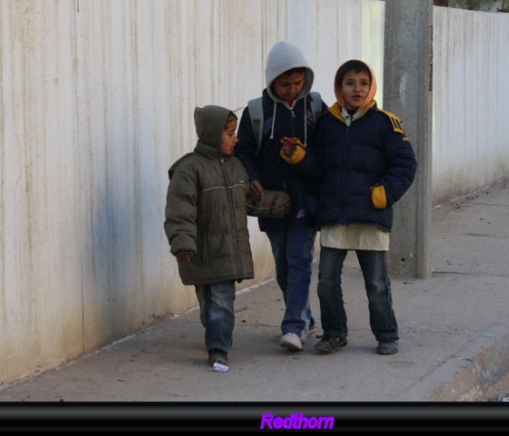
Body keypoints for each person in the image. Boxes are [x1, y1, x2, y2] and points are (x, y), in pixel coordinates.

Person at [280, 59, 417, 355]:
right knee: (327, 281)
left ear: (371, 87)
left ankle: (386, 335)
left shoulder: (385, 123)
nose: (357, 89)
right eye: (350, 83)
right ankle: (334, 333)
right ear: (339, 88)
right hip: (335, 216)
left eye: (363, 83)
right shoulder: (327, 123)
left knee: (376, 284)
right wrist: (298, 156)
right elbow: (319, 166)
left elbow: (406, 165)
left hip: (370, 216)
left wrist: (383, 194)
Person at [164, 105, 290, 369]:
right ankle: (215, 335)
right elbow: (180, 211)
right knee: (208, 302)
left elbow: (248, 202)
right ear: (211, 135)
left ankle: (219, 348)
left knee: (222, 300)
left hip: (227, 252)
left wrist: (280, 203)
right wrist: (183, 242)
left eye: (235, 133)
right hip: (199, 252)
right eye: (230, 134)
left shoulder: (236, 168)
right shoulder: (189, 170)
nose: (236, 140)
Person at [233, 41, 323, 352]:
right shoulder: (256, 112)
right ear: (272, 79)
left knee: (300, 262)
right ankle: (306, 318)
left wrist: (302, 156)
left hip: (305, 202)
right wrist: (252, 178)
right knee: (284, 269)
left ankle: (293, 327)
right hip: (271, 205)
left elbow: (325, 151)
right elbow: (243, 152)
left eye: (297, 83)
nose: (291, 89)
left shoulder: (314, 108)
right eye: (285, 84)